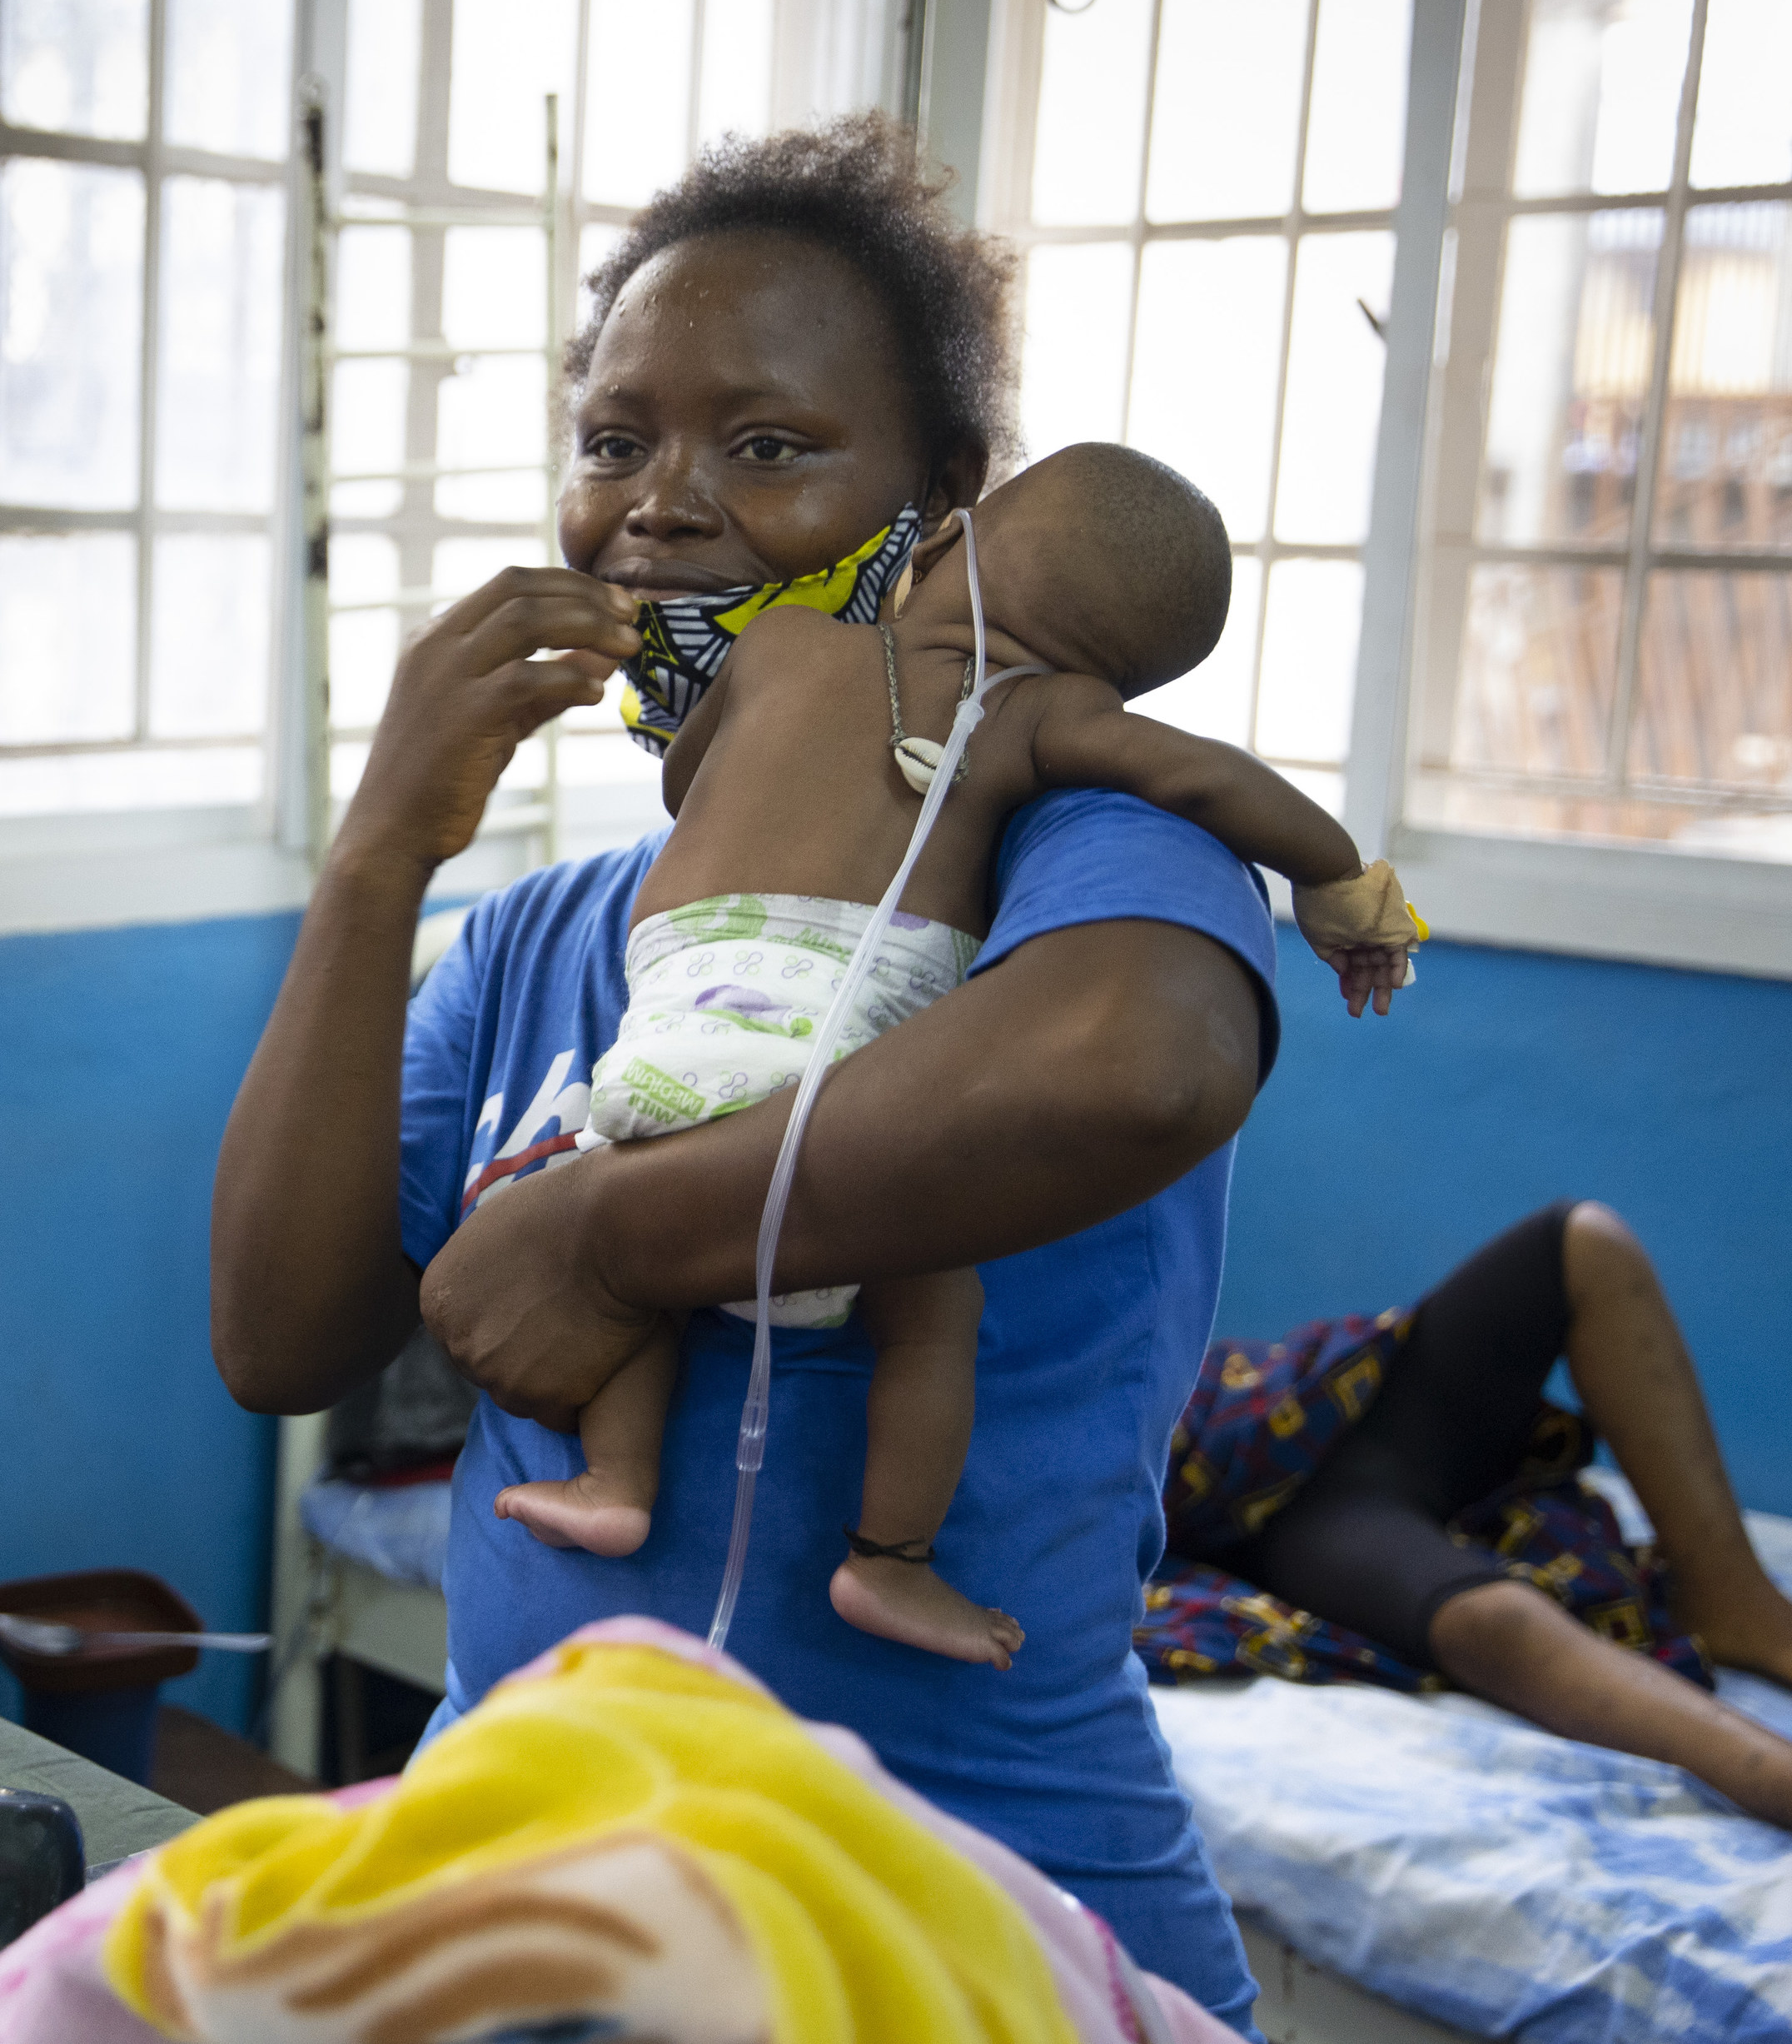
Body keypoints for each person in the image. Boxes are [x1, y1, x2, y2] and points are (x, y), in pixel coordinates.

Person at [211, 117, 1277, 2030]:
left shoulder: (1063, 830)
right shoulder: (545, 932)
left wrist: (615, 1236)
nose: (661, 508)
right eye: (613, 440)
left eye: (767, 446)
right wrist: (376, 857)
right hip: (526, 1885)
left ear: (944, 508)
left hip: (965, 1913)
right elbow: (280, 1339)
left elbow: (1138, 1065)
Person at [492, 444, 1426, 1682]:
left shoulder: (782, 648)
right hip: (841, 1015)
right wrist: (1345, 886)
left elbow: (685, 773)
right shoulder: (1041, 715)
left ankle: (616, 1478)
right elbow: (1210, 779)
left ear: (932, 547)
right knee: (930, 1315)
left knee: (640, 1208)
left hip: (676, 991)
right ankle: (889, 1558)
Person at [1150, 1199, 1792, 1827]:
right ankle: (1770, 1775)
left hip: (1300, 1410)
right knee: (1493, 1621)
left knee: (1582, 1241)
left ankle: (1732, 1593)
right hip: (1276, 1517)